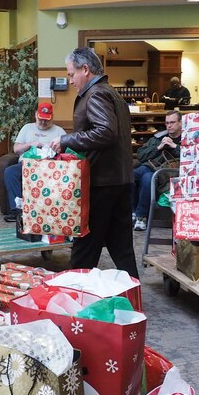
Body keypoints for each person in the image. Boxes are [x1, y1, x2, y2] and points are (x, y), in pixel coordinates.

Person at [50, 47, 139, 279]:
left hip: (101, 182)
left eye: (71, 74)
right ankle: (132, 297)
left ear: (85, 69)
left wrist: (66, 140)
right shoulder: (112, 93)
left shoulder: (96, 93)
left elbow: (105, 132)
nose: (70, 81)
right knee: (121, 247)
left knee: (85, 246)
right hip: (119, 179)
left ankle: (75, 296)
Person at [2, 103, 66, 222]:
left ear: (52, 117)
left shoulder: (59, 131)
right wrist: (31, 144)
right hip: (26, 164)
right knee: (10, 172)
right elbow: (16, 149)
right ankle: (17, 210)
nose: (42, 122)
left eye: (46, 120)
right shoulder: (27, 128)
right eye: (40, 119)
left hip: (49, 167)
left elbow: (65, 152)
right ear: (36, 115)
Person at [132, 110, 182, 231]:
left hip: (166, 172)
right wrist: (158, 148)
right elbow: (140, 155)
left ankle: (141, 217)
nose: (169, 125)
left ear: (181, 123)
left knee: (148, 179)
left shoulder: (187, 138)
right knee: (129, 176)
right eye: (167, 123)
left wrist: (175, 147)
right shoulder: (158, 138)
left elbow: (192, 156)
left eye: (172, 122)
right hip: (148, 166)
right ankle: (132, 211)